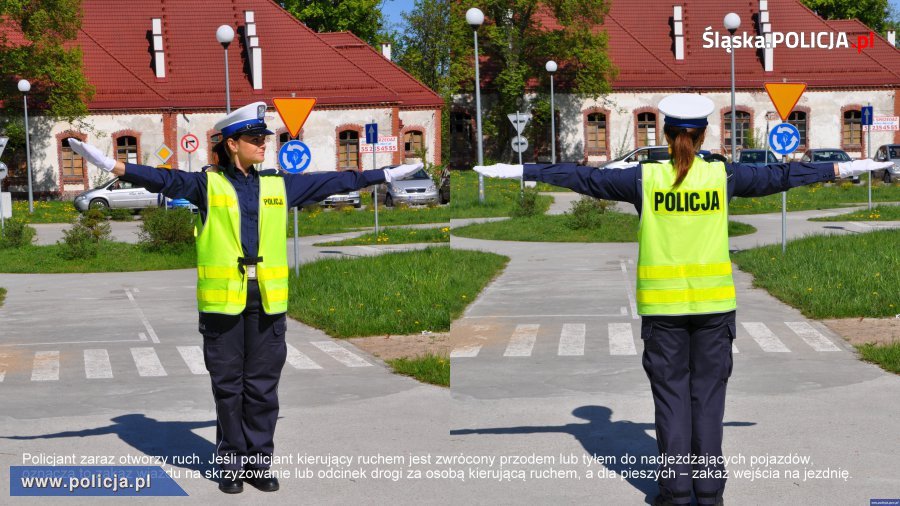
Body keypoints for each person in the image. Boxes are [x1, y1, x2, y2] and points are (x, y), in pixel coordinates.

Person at [474, 94, 891, 506]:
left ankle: (675, 494)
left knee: (672, 400)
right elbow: (781, 176)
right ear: (705, 133)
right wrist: (844, 166)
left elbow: (583, 178)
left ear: (666, 133)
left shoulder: (644, 177)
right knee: (708, 402)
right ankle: (708, 493)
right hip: (714, 311)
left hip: (663, 312)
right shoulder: (722, 176)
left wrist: (523, 170)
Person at [69, 101, 422, 494]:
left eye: (265, 138)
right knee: (229, 389)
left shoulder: (277, 185)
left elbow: (333, 180)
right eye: (256, 139)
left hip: (268, 303)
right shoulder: (206, 185)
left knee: (262, 389)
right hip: (223, 305)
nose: (264, 145)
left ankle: (258, 464)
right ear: (232, 144)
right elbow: (161, 179)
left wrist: (383, 173)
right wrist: (113, 166)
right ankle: (231, 465)